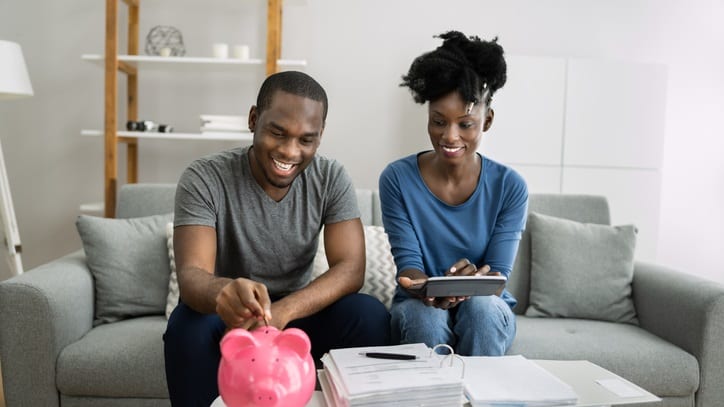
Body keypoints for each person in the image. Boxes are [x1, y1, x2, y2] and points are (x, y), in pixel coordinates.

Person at [164, 71, 390, 406]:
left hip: (296, 313)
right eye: (277, 133)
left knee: (368, 314)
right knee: (187, 325)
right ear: (254, 119)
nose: (289, 151)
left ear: (320, 135)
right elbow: (192, 276)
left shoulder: (330, 177)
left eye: (306, 140)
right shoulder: (205, 177)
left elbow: (351, 268)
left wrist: (282, 313)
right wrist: (225, 293)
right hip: (228, 314)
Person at [379, 31, 528, 356]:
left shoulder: (510, 187)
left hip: (486, 308)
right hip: (419, 305)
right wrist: (423, 287)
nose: (449, 136)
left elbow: (498, 274)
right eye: (438, 121)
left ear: (486, 120)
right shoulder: (397, 179)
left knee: (482, 310)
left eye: (466, 124)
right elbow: (409, 267)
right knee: (426, 319)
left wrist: (474, 282)